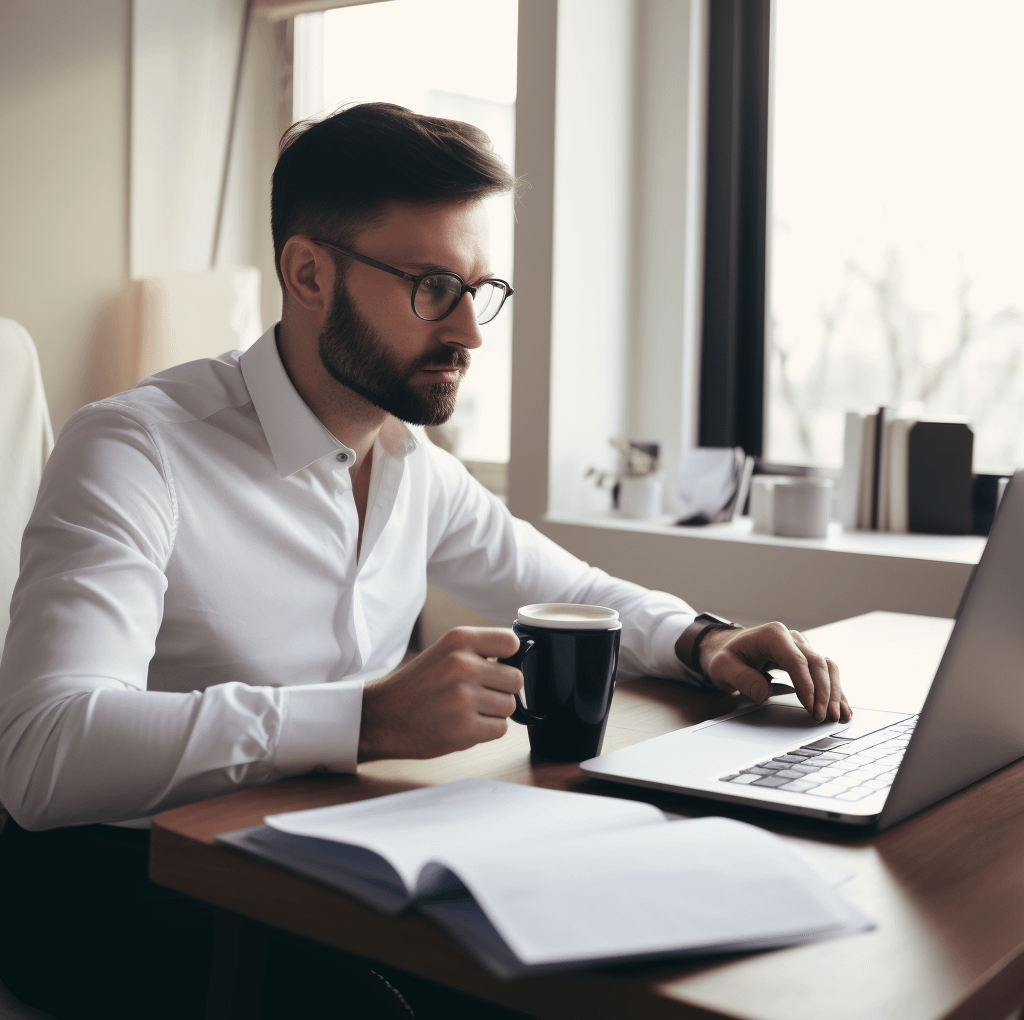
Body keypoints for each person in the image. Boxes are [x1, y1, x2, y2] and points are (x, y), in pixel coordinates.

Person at [0, 103, 849, 1019]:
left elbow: (567, 590)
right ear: (308, 272)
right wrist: (364, 721)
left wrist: (701, 640)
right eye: (432, 287)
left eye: (478, 290)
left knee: (582, 978)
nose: (471, 334)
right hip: (114, 874)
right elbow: (48, 754)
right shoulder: (136, 450)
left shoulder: (409, 466)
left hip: (323, 846)